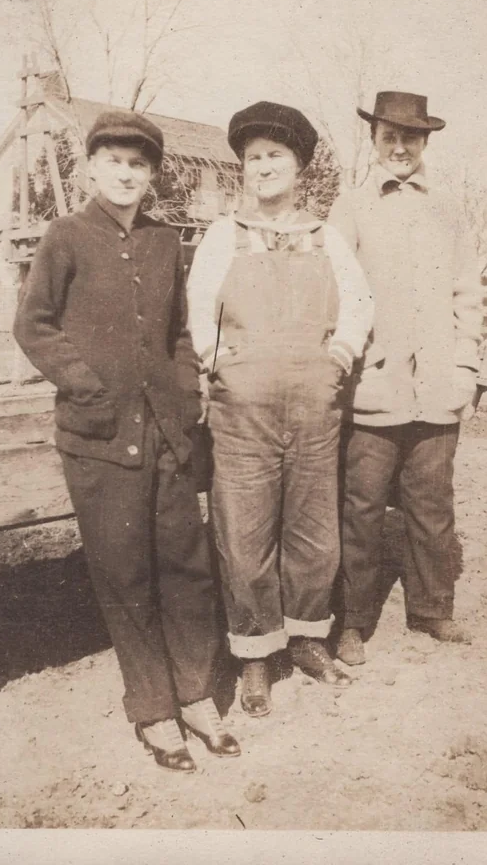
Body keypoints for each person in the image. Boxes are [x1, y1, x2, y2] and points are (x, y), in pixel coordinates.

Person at [14, 110, 240, 773]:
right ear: (91, 167)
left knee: (186, 568)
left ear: (151, 174)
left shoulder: (166, 242)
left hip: (168, 436)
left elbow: (178, 333)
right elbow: (35, 327)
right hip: (97, 439)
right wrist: (85, 386)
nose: (125, 173)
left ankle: (196, 695)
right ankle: (154, 711)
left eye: (138, 164)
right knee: (126, 573)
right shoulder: (65, 235)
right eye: (113, 160)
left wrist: (186, 387)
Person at [187, 101, 374, 716]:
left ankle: (307, 638)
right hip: (243, 411)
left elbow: (357, 305)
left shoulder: (325, 235)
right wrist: (224, 364)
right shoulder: (224, 235)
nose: (263, 167)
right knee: (244, 531)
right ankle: (255, 654)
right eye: (253, 158)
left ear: (298, 167)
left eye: (275, 156)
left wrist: (339, 357)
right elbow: (200, 312)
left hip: (314, 407)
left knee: (313, 530)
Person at [328, 91, 483, 664]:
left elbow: (468, 295)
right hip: (374, 389)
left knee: (432, 503)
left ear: (425, 143)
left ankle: (432, 609)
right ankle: (353, 621)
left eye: (410, 138)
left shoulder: (449, 209)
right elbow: (335, 293)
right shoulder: (350, 208)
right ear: (373, 142)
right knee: (362, 509)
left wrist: (466, 369)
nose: (400, 147)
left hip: (438, 388)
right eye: (389, 136)